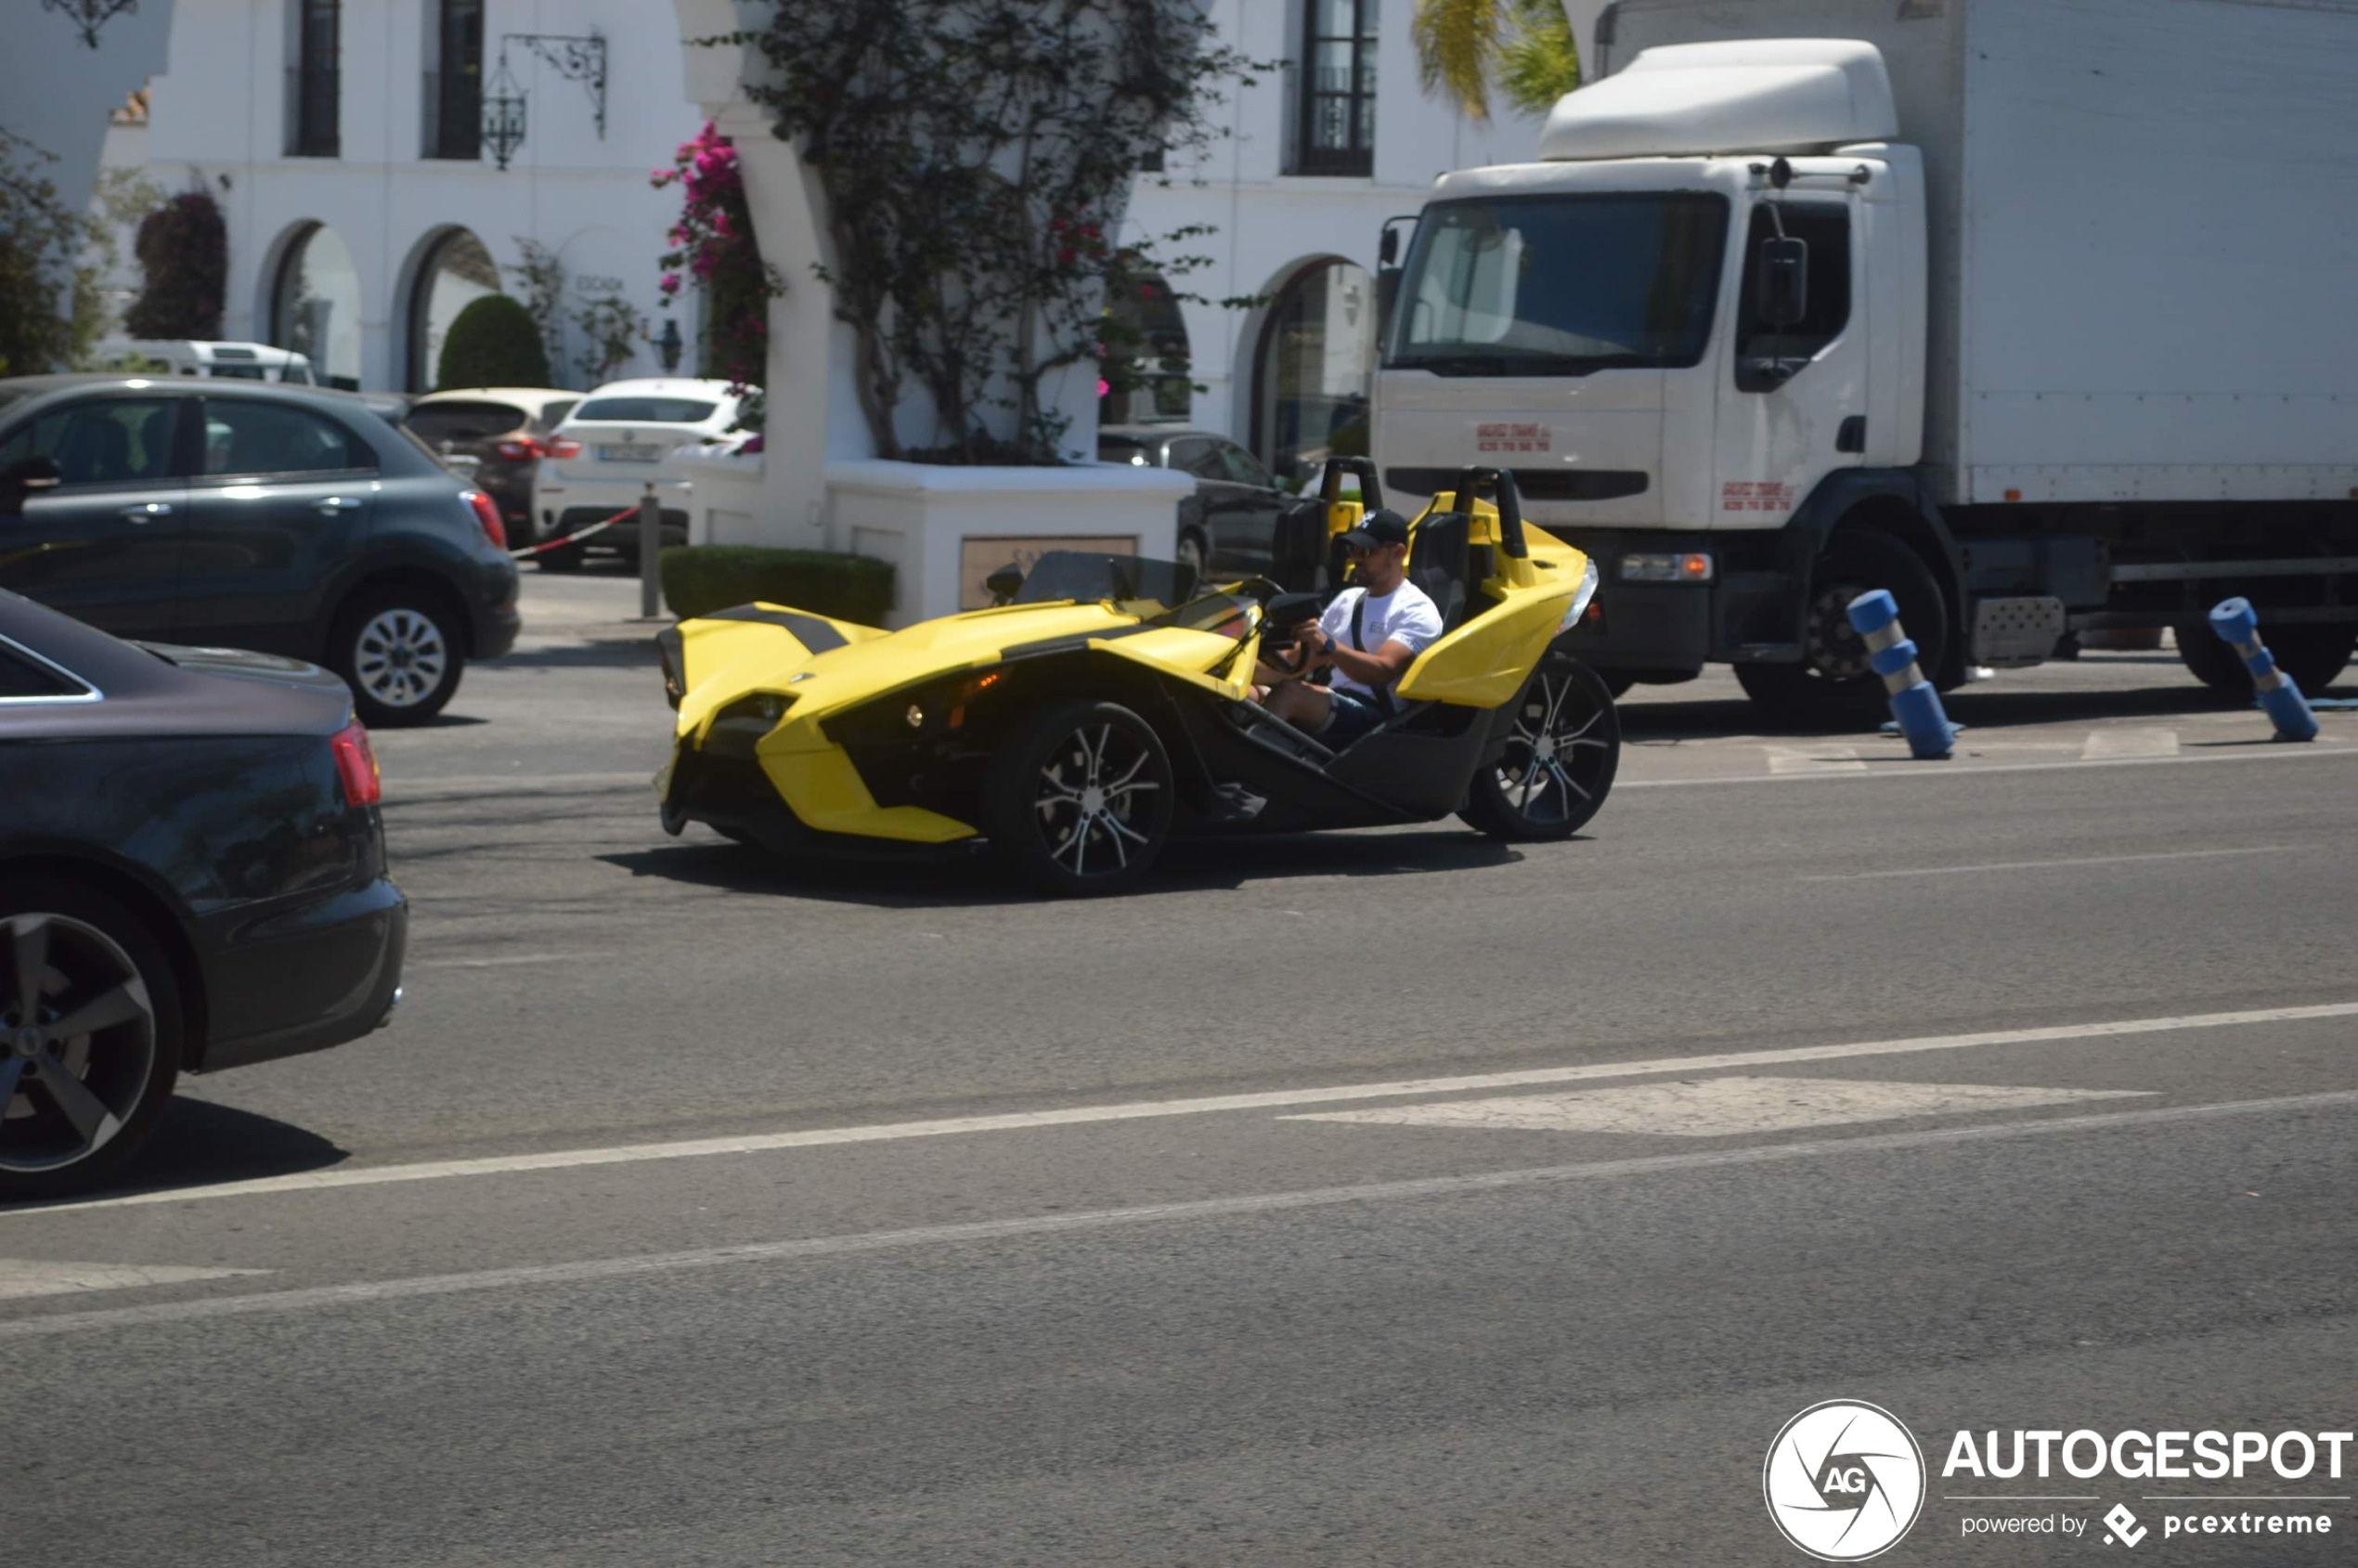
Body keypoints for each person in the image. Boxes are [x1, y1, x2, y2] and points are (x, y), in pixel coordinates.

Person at [1255, 510, 1444, 744]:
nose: (1357, 559)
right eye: (1353, 550)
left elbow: (1382, 671)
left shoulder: (1417, 609)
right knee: (1242, 694)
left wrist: (1329, 644)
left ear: (1397, 552)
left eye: (1366, 551)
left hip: (1377, 718)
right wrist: (1236, 670)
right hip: (1333, 700)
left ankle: (1246, 771)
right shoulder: (1349, 599)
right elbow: (1296, 662)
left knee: (1290, 694)